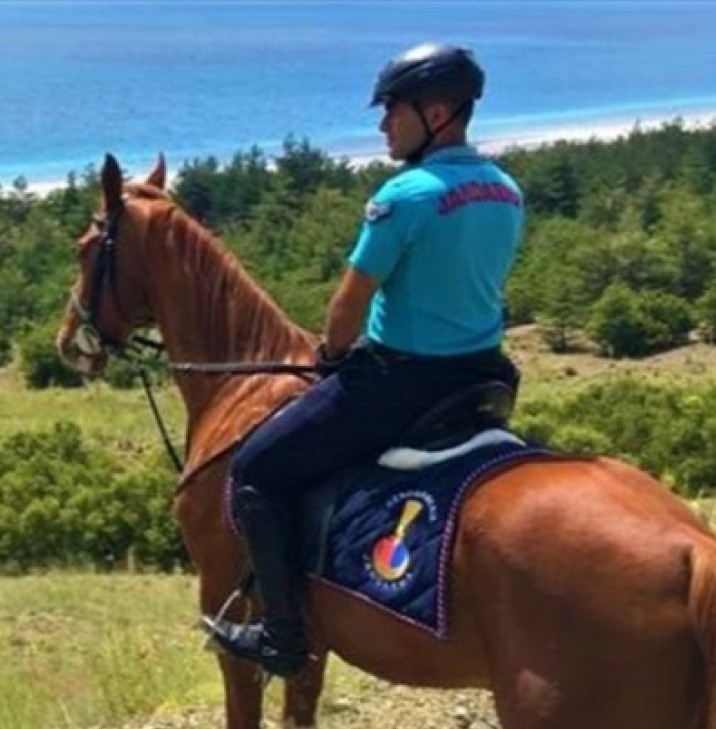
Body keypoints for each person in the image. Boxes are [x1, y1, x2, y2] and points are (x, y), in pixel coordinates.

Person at [205, 42, 525, 677]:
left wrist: (330, 355)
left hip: (402, 381)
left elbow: (349, 303)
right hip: (485, 375)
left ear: (436, 112)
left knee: (257, 472)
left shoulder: (404, 195)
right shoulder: (505, 189)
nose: (382, 125)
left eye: (392, 111)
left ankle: (283, 637)